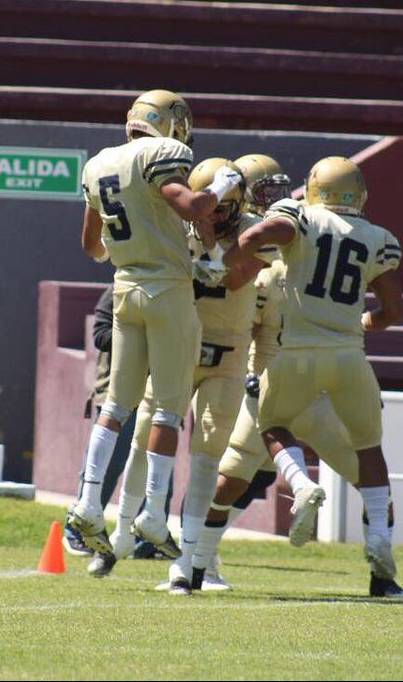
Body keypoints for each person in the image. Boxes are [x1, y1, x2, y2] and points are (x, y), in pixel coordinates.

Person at [204, 156, 403, 593]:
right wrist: (358, 326)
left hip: (283, 370)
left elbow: (239, 315)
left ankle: (197, 564)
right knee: (371, 463)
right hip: (344, 365)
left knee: (236, 470)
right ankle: (383, 571)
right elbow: (393, 310)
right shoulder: (375, 238)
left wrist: (221, 256)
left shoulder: (289, 236)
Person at [70, 89, 243, 556]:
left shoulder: (98, 162)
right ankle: (152, 514)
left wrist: (132, 251)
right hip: (167, 291)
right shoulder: (164, 153)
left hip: (125, 287)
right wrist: (221, 187)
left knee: (117, 406)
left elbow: (91, 246)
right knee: (167, 411)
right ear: (169, 122)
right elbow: (192, 206)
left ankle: (86, 504)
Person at [89, 157, 270, 592]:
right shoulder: (176, 226)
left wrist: (207, 245)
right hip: (179, 349)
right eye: (208, 206)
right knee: (142, 438)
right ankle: (121, 534)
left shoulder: (253, 230)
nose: (213, 214)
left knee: (207, 454)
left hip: (225, 357)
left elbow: (232, 278)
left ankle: (187, 563)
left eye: (220, 207)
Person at [62, 286, 169, 559]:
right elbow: (100, 334)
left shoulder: (174, 287)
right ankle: (77, 529)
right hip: (116, 391)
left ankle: (146, 539)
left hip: (156, 393)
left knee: (156, 461)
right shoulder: (121, 286)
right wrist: (140, 342)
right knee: (106, 464)